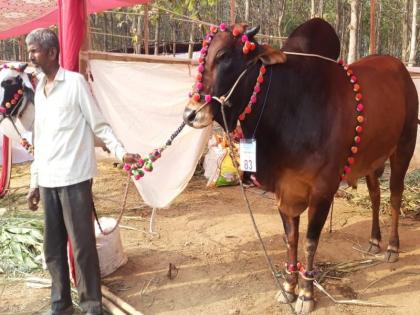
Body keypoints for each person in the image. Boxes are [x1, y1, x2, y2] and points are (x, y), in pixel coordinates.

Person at [25, 28, 139, 315]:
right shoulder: (39, 90)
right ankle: (61, 304)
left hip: (75, 179)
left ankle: (91, 306)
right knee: (52, 250)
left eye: (34, 50)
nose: (30, 56)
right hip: (49, 181)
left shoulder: (75, 84)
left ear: (51, 53)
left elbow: (99, 126)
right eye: (29, 51)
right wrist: (34, 182)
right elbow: (40, 139)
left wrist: (121, 152)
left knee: (82, 248)